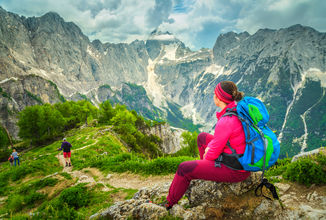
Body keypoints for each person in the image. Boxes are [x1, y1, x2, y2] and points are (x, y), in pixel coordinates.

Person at [162, 81, 251, 210]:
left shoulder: (226, 121)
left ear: (219, 98)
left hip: (235, 171)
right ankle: (204, 172)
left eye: (215, 94)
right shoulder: (237, 110)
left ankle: (169, 204)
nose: (213, 96)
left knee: (184, 168)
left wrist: (208, 152)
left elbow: (211, 155)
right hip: (239, 160)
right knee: (202, 137)